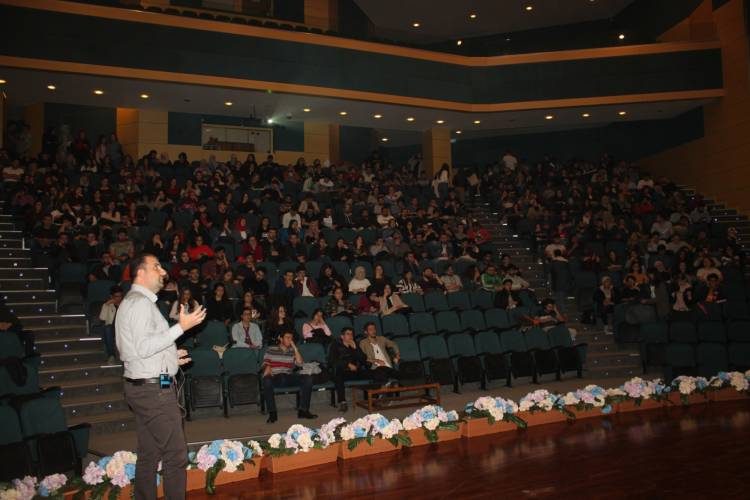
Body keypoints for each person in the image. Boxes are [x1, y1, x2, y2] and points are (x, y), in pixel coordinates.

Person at [116, 253, 206, 500]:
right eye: (155, 266)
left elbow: (136, 350)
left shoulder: (137, 302)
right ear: (140, 273)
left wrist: (171, 358)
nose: (163, 270)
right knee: (176, 455)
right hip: (153, 391)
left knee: (149, 453)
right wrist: (181, 327)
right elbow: (144, 347)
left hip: (146, 385)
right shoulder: (139, 303)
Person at [261, 331, 318, 423]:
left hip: (288, 376)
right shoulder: (271, 349)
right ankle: (272, 413)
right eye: (287, 337)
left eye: (291, 338)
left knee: (307, 378)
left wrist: (295, 348)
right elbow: (265, 364)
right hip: (276, 377)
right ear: (280, 338)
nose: (289, 340)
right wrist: (267, 368)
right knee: (266, 380)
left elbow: (300, 363)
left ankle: (303, 411)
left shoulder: (292, 351)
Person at [328, 327, 368, 412]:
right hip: (342, 372)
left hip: (355, 372)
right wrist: (347, 364)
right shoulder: (335, 345)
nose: (350, 336)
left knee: (372, 373)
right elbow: (332, 360)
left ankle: (374, 398)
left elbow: (363, 359)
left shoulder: (354, 344)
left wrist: (355, 349)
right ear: (342, 336)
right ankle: (342, 402)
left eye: (351, 334)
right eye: (348, 334)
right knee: (338, 376)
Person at [359, 322, 400, 386]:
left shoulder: (381, 339)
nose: (373, 331)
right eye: (370, 329)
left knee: (400, 373)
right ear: (366, 332)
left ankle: (384, 389)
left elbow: (393, 344)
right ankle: (387, 387)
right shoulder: (363, 343)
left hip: (388, 367)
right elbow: (361, 357)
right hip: (375, 368)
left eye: (374, 329)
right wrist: (375, 360)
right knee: (381, 372)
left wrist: (397, 355)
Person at [98, 285, 124, 364]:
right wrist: (106, 305)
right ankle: (111, 356)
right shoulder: (108, 305)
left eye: (120, 296)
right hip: (112, 328)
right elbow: (102, 318)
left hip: (123, 328)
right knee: (107, 328)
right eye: (116, 296)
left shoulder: (126, 304)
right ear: (111, 296)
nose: (118, 298)